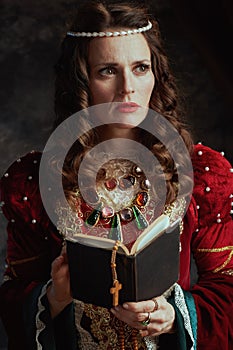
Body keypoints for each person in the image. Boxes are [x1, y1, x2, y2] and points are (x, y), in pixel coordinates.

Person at [0, 1, 233, 349]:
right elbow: (13, 296)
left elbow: (226, 285)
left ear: (156, 74)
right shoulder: (33, 182)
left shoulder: (202, 172)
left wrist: (174, 316)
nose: (128, 87)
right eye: (108, 70)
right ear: (81, 81)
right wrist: (54, 296)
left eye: (140, 67)